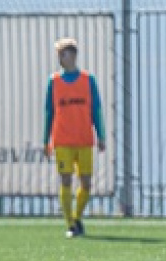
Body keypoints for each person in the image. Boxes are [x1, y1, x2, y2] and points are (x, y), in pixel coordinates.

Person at [43, 37, 106, 238]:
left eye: (64, 53)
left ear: (73, 55)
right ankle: (70, 223)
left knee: (86, 183)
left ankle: (77, 217)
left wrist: (101, 135)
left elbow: (96, 109)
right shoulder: (54, 81)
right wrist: (46, 140)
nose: (60, 58)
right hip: (62, 140)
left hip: (84, 140)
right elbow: (48, 112)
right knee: (66, 180)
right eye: (59, 54)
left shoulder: (89, 80)